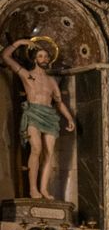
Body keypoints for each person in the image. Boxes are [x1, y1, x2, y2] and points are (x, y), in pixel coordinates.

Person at [1, 38, 75, 200]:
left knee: (49, 154)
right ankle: (33, 189)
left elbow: (59, 102)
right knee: (36, 149)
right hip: (33, 113)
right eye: (40, 56)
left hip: (49, 116)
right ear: (35, 59)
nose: (44, 59)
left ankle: (44, 189)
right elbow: (6, 57)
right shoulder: (27, 75)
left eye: (46, 57)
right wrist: (20, 42)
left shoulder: (51, 81)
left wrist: (69, 118)